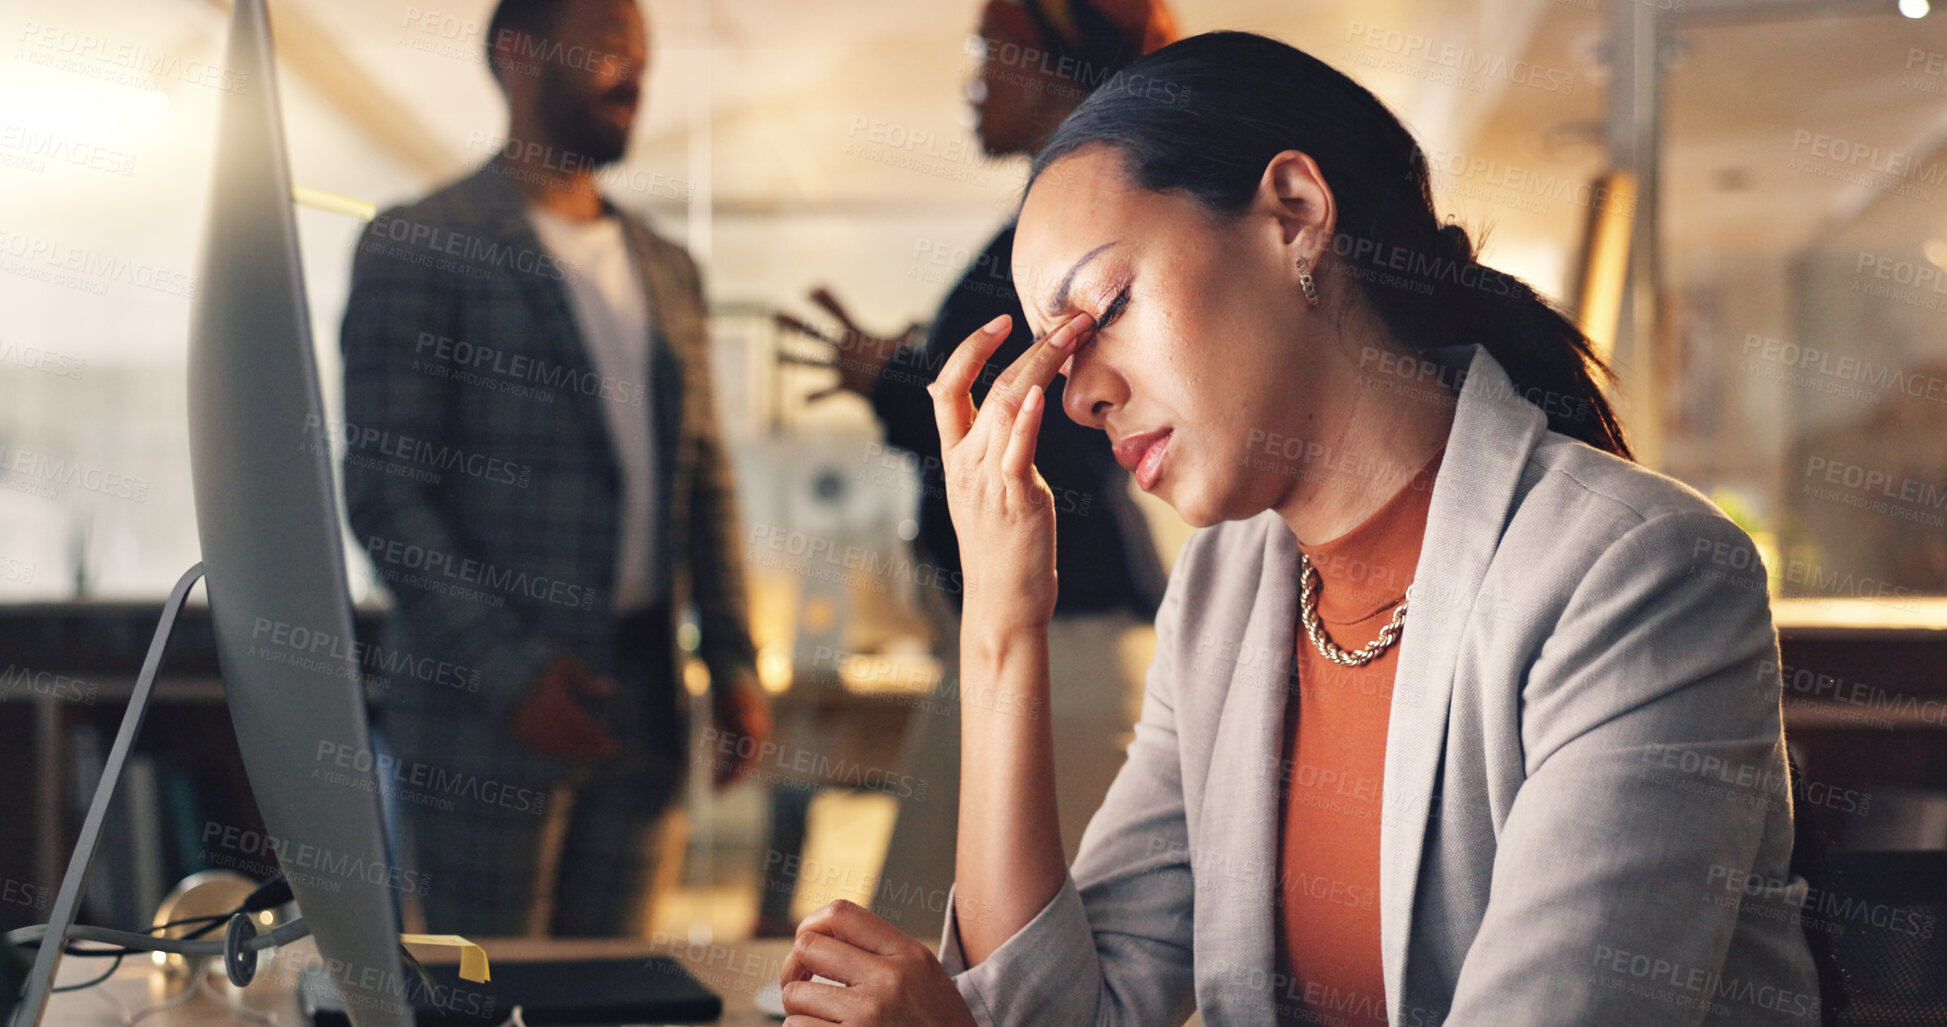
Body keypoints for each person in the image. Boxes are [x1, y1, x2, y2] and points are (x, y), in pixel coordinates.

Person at [777, 31, 1822, 1025]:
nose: (1078, 394)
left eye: (1105, 306)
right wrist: (1001, 623)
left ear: (1291, 214)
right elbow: (1077, 1009)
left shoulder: (1638, 573)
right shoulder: (1230, 590)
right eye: (1056, 350)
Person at [339, 0, 768, 938]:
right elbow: (383, 490)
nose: (636, 75)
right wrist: (509, 670)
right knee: (481, 992)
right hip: (483, 709)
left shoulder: (668, 265)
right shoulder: (419, 245)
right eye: (610, 49)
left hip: (646, 700)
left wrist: (734, 656)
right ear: (519, 52)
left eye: (644, 57)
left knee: (613, 995)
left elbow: (706, 476)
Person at [763, 0, 1178, 941]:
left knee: (999, 942)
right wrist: (904, 377)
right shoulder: (1051, 222)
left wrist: (897, 382)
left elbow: (1036, 408)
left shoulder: (1083, 221)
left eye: (996, 49)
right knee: (926, 922)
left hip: (1063, 636)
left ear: (1066, 68)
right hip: (1021, 631)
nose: (977, 75)